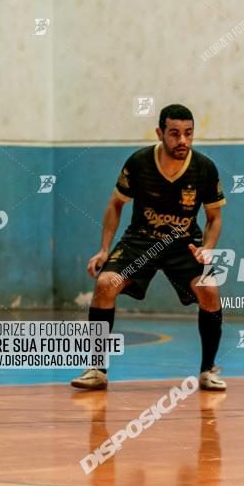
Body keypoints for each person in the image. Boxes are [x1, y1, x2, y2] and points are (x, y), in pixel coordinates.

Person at [71, 104, 227, 391]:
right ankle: (97, 369)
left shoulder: (204, 168)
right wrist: (104, 249)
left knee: (210, 290)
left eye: (188, 134)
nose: (182, 141)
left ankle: (208, 370)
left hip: (183, 243)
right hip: (141, 240)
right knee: (106, 284)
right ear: (160, 133)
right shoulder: (139, 163)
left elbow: (214, 218)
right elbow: (115, 205)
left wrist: (208, 247)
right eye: (175, 133)